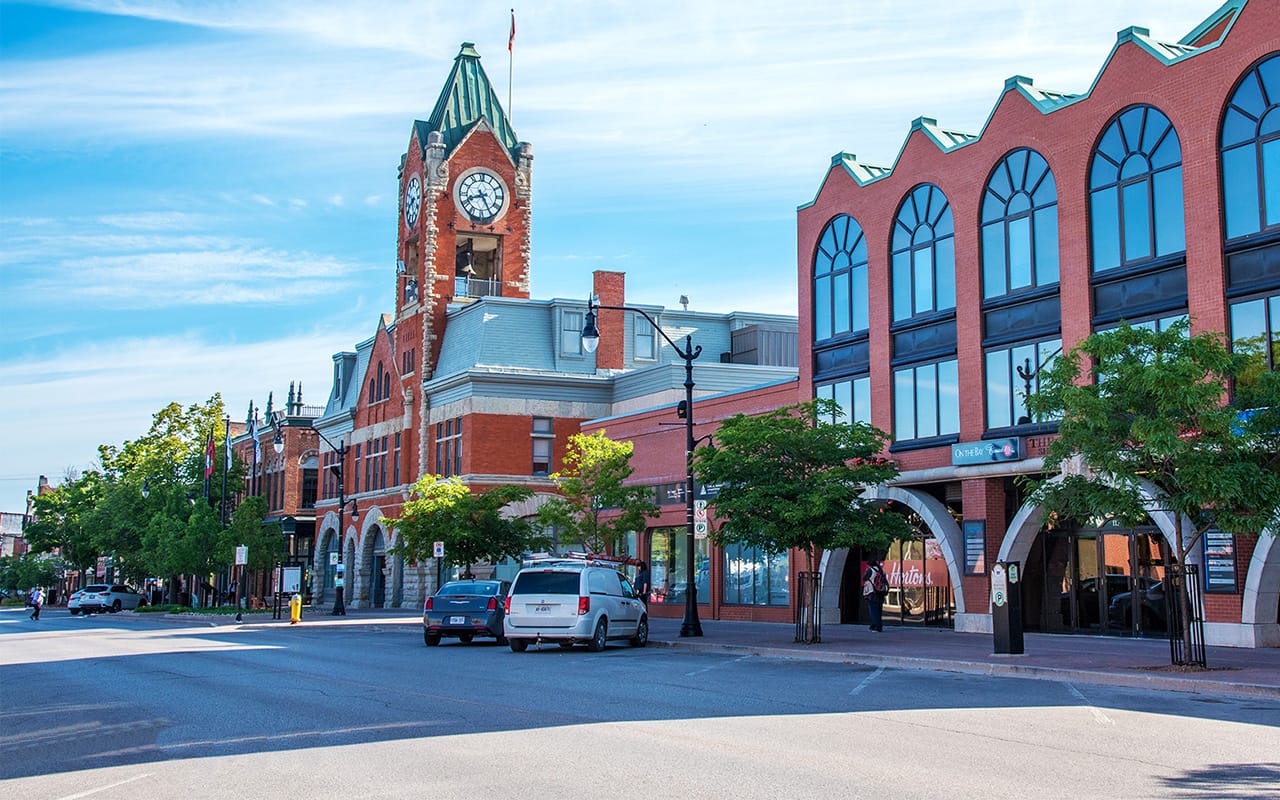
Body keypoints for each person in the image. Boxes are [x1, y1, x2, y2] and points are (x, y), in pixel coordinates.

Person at [862, 559, 888, 632]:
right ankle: (875, 626)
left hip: (873, 592)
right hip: (881, 592)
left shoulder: (870, 570)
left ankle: (876, 626)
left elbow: (864, 578)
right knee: (878, 610)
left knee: (873, 610)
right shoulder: (882, 571)